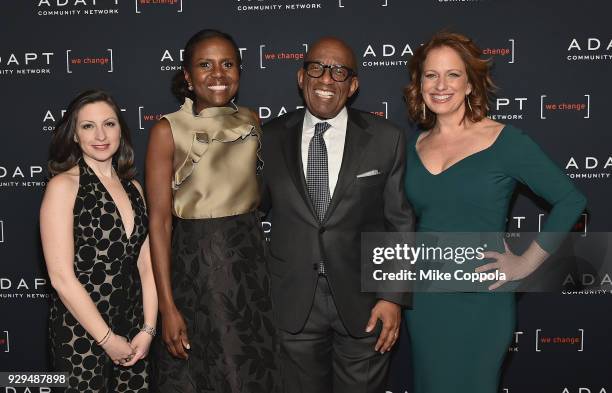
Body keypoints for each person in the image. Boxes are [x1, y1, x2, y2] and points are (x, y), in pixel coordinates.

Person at [403, 32, 587, 393]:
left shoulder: (505, 141)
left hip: (482, 299)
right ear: (419, 83)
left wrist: (526, 263)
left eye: (452, 75)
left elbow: (571, 200)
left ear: (470, 83)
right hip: (425, 300)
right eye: (430, 75)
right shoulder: (413, 146)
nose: (441, 85)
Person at [260, 36, 414, 393]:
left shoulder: (385, 138)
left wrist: (392, 297)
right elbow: (250, 212)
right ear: (302, 77)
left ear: (353, 84)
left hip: (365, 302)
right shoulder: (267, 138)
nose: (327, 79)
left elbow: (400, 224)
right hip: (292, 303)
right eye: (317, 68)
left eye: (339, 72)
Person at [145, 29, 279, 393]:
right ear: (187, 76)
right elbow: (158, 222)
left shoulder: (252, 120)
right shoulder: (167, 130)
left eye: (227, 64)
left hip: (251, 267)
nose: (218, 74)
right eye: (205, 65)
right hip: (198, 270)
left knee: (254, 372)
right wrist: (167, 307)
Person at [40, 89, 157, 392]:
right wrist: (106, 340)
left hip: (132, 331)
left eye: (109, 123)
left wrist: (148, 329)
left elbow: (146, 265)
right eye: (88, 126)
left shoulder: (134, 188)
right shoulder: (63, 186)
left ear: (121, 130)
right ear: (75, 136)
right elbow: (61, 277)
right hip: (81, 333)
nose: (101, 134)